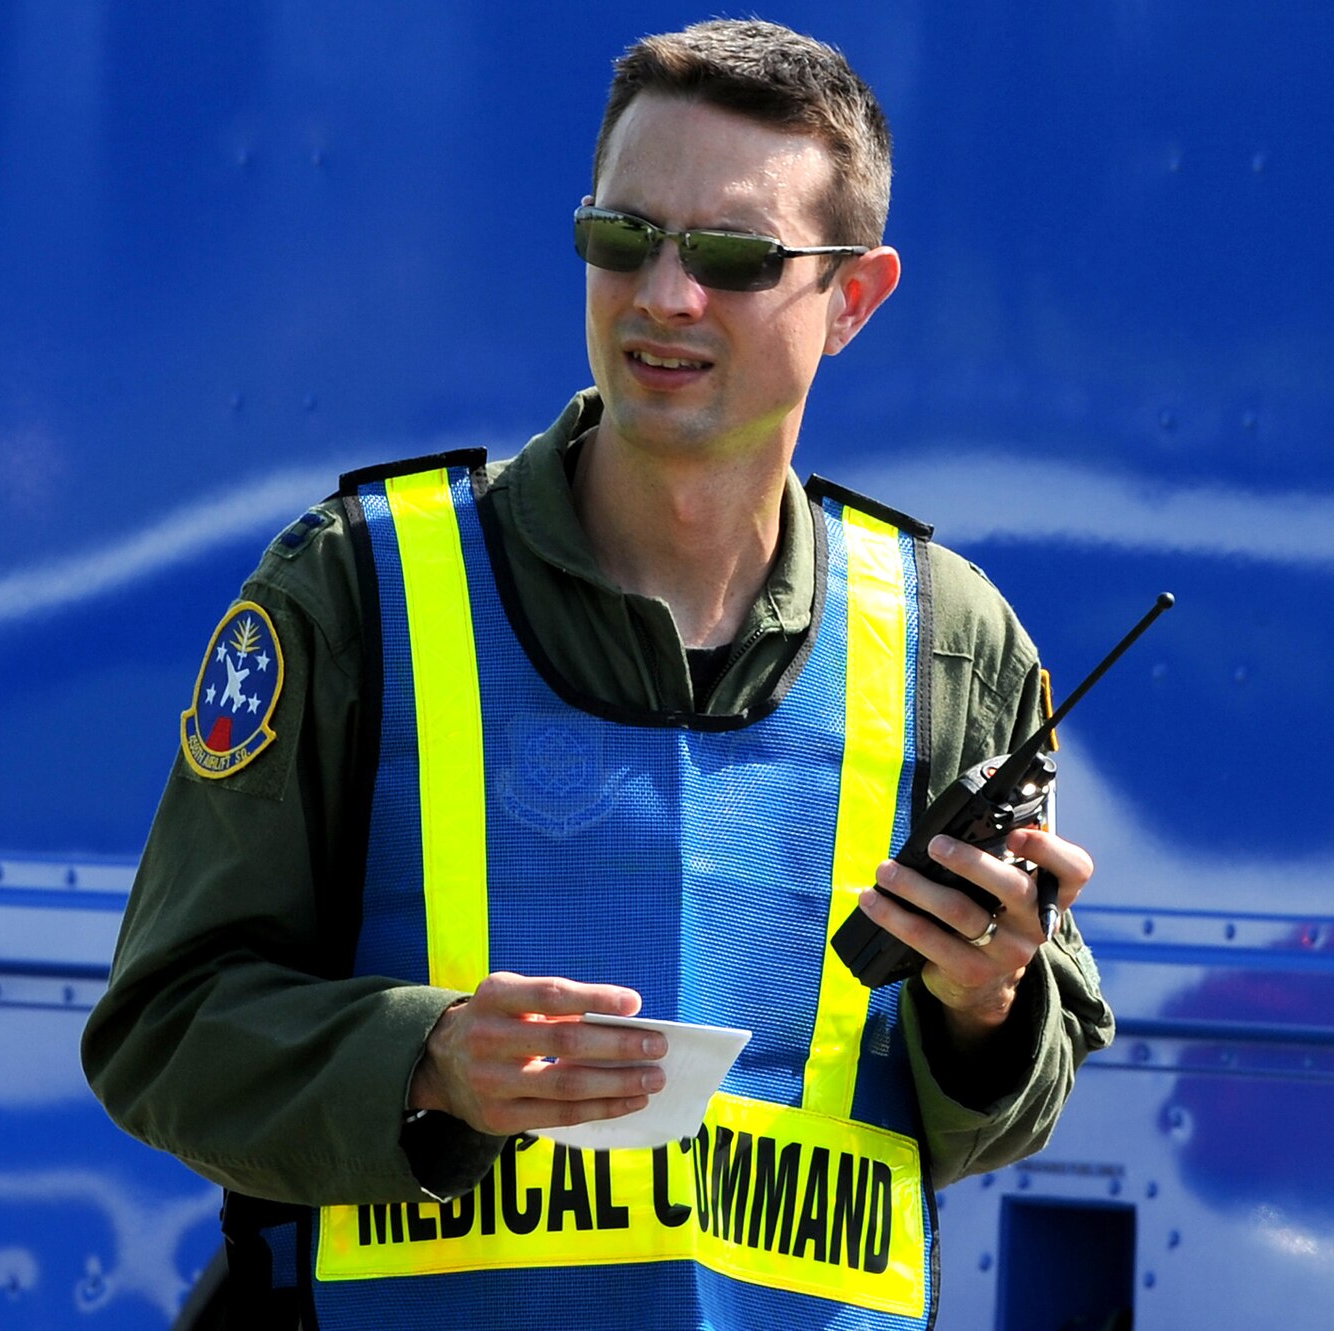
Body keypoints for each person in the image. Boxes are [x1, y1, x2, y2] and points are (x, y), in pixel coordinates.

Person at [83, 18, 1113, 1330]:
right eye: (624, 237)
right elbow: (162, 1032)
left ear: (852, 299)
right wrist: (428, 1062)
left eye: (735, 256)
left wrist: (989, 999)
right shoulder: (364, 594)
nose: (664, 294)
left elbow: (992, 1116)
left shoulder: (950, 644)